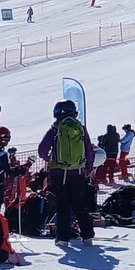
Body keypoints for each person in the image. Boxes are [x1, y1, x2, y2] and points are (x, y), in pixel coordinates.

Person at [39, 99, 94, 245]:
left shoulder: (55, 129)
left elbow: (42, 150)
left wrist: (49, 158)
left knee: (62, 205)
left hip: (58, 173)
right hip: (78, 172)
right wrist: (88, 167)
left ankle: (63, 238)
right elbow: (89, 149)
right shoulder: (80, 128)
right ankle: (88, 236)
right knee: (79, 204)